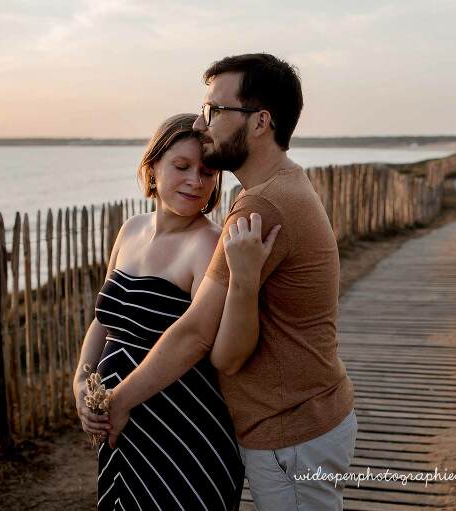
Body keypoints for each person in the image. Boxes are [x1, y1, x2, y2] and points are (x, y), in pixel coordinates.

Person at [106, 53, 357, 510]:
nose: (205, 125)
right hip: (302, 419)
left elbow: (207, 339)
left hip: (291, 430)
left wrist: (118, 401)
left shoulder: (263, 206)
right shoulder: (279, 187)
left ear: (260, 122)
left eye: (216, 111)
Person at [73, 113, 278, 511]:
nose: (195, 181)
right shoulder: (131, 229)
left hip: (184, 435)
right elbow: (105, 320)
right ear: (152, 168)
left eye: (206, 172)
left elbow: (205, 341)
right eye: (181, 167)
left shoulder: (210, 244)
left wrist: (119, 400)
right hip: (123, 428)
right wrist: (82, 383)